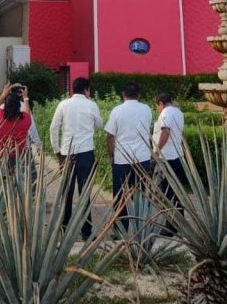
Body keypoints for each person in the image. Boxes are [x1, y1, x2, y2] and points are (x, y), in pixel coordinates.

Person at [50, 76, 102, 239]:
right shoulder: (91, 105)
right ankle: (87, 232)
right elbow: (99, 125)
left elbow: (53, 128)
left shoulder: (63, 105)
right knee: (85, 193)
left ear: (73, 89)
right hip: (86, 153)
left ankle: (65, 229)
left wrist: (57, 151)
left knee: (67, 193)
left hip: (67, 154)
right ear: (86, 90)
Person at [104, 82, 152, 226]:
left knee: (120, 196)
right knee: (143, 194)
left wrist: (111, 155)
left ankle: (121, 229)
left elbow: (110, 136)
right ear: (139, 95)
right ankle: (142, 226)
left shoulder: (117, 111)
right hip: (143, 158)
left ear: (123, 95)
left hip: (122, 159)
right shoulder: (146, 109)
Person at [153, 92, 187, 214]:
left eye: (157, 106)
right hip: (178, 157)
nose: (157, 109)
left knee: (167, 193)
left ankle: (170, 225)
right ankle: (178, 222)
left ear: (161, 104)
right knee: (176, 193)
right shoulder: (178, 112)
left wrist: (156, 151)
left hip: (168, 158)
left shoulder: (166, 113)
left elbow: (165, 132)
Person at [0, 83, 34, 167]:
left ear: (5, 104)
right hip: (18, 156)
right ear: (19, 106)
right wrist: (25, 98)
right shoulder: (24, 120)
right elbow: (28, 115)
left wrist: (3, 95)